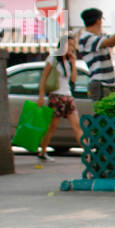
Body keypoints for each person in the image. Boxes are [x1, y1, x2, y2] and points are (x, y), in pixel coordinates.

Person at [36, 32, 83, 162]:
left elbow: (73, 79)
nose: (72, 48)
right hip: (56, 96)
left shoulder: (69, 61)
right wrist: (41, 96)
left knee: (77, 126)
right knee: (52, 127)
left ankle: (87, 153)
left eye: (73, 45)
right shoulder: (53, 58)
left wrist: (74, 64)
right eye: (70, 45)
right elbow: (44, 77)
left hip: (68, 95)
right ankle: (43, 151)